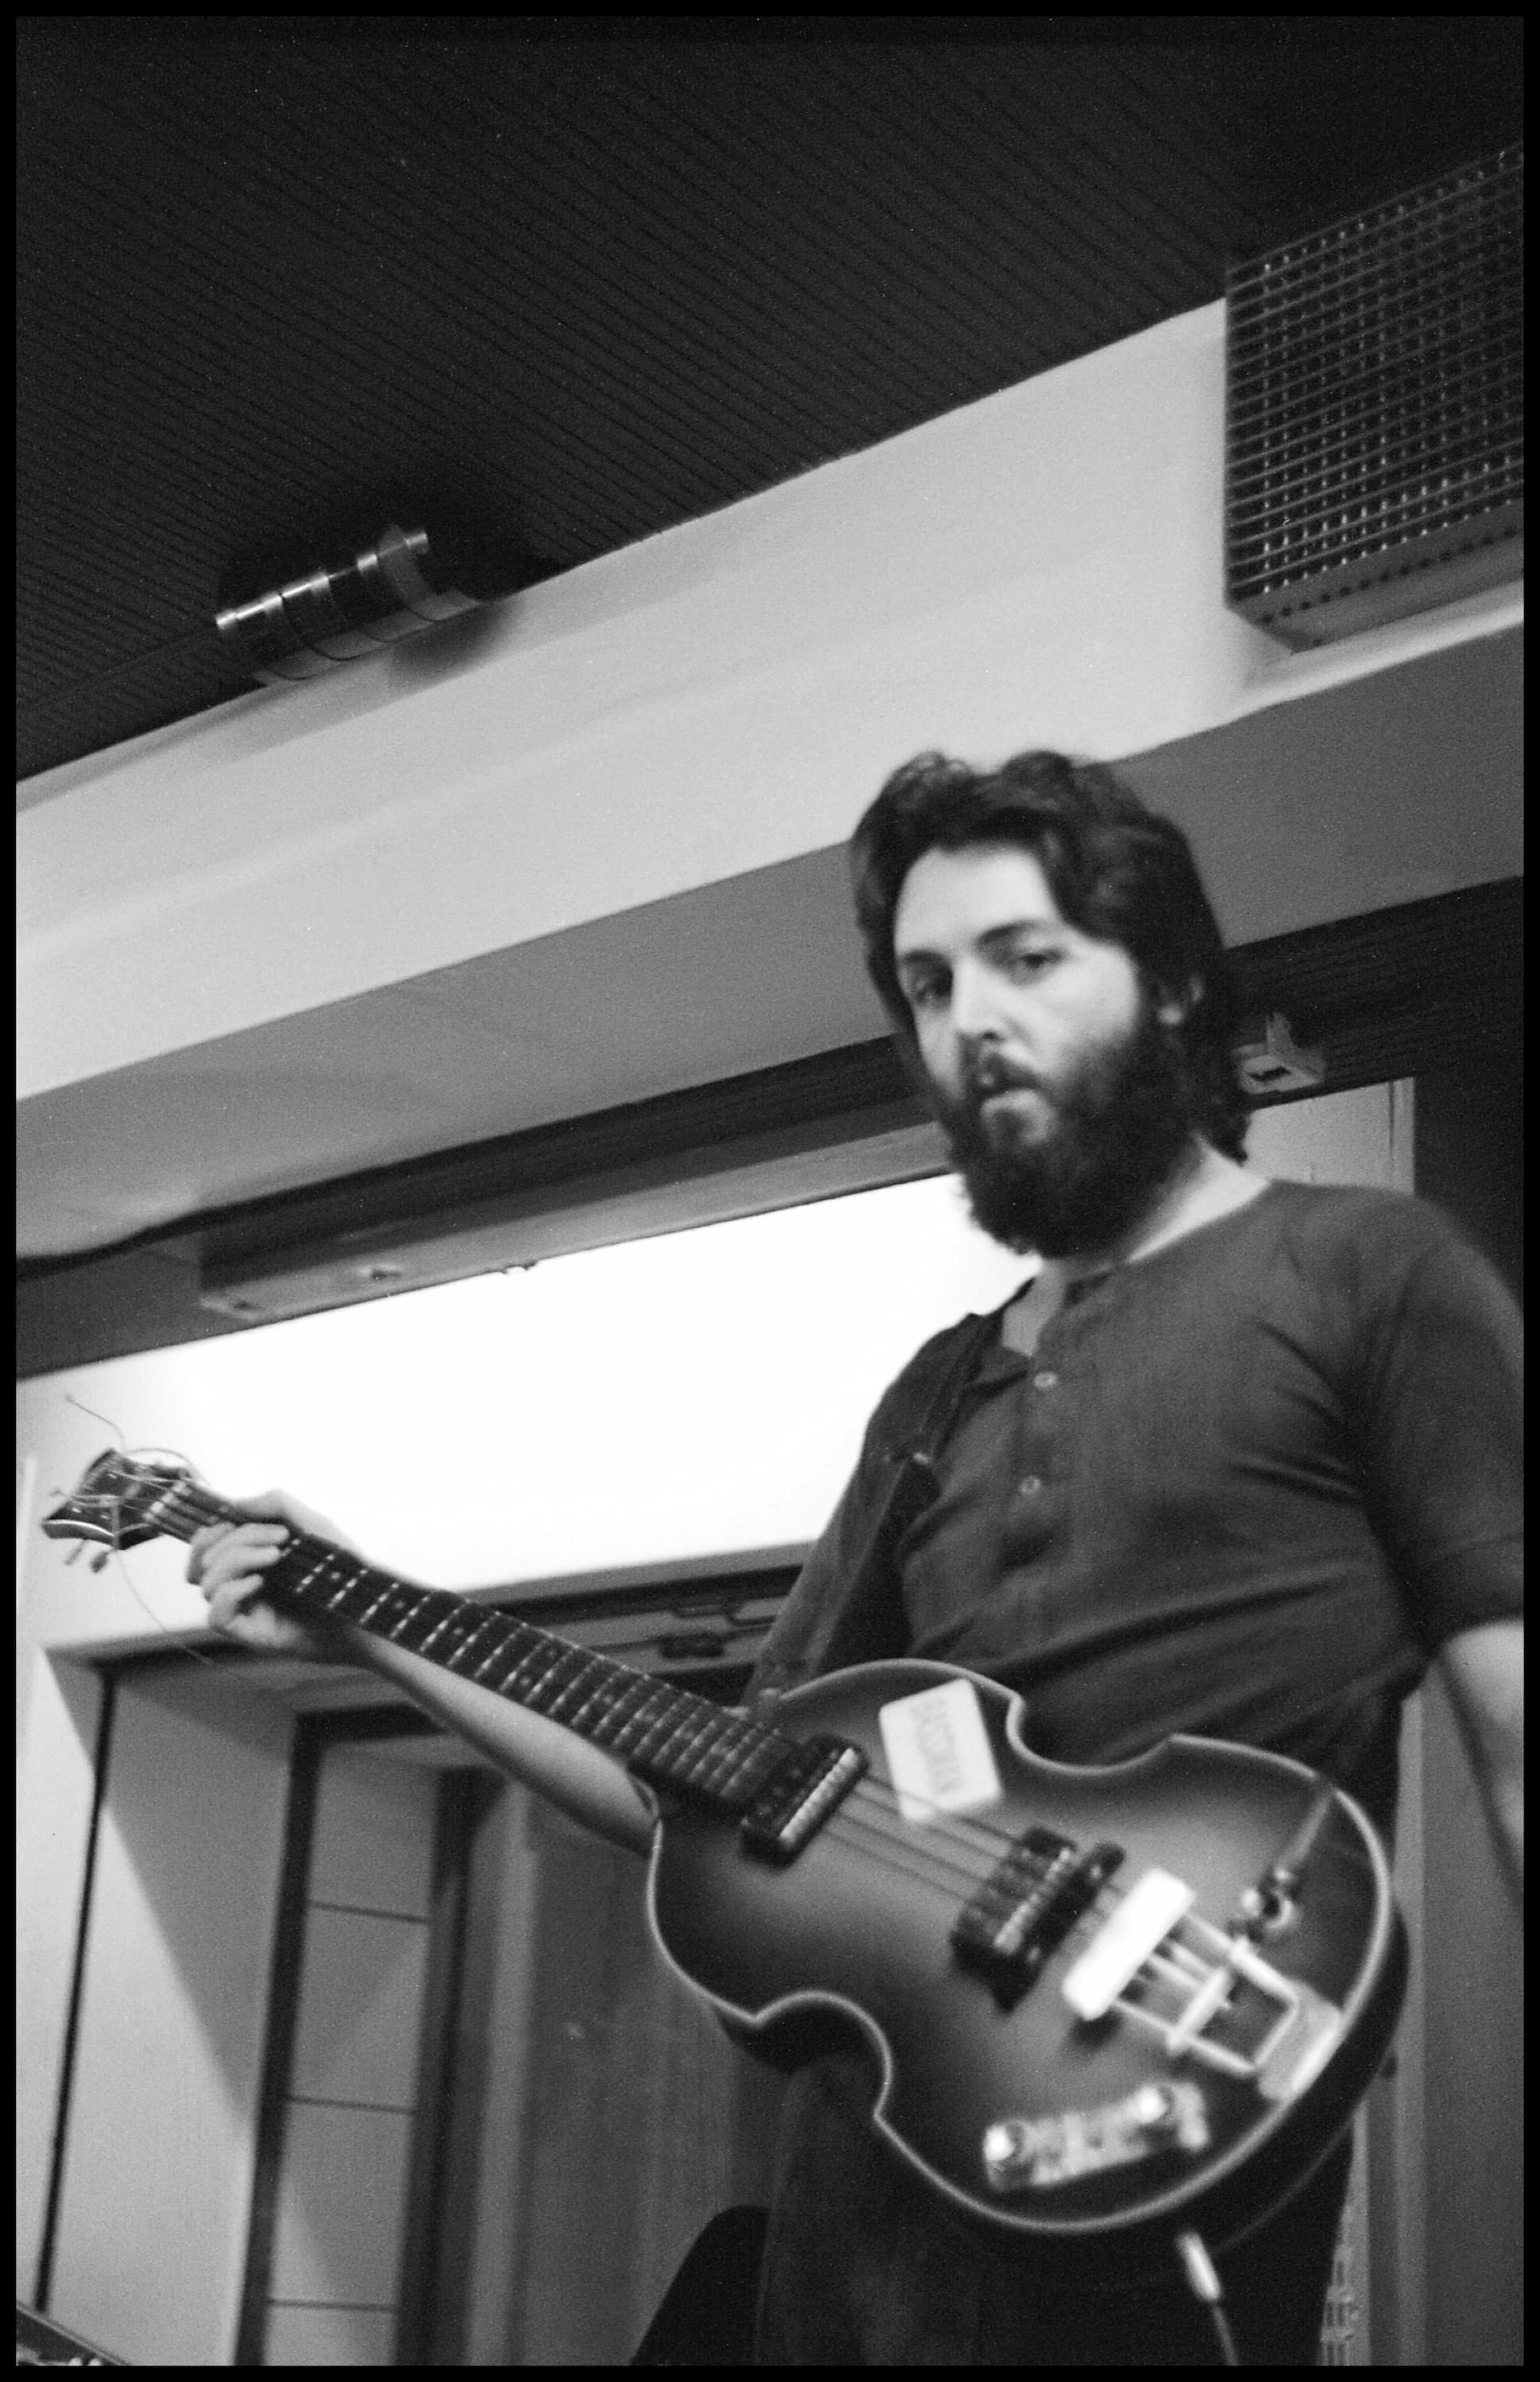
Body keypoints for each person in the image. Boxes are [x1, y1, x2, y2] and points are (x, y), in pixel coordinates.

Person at [189, 749, 1523, 2366]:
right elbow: (713, 1784)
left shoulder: (1365, 1277)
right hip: (847, 2264)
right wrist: (364, 1621)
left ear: (1173, 984)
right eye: (927, 984)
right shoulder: (934, 1394)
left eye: (1027, 961)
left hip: (1141, 2195)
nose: (970, 1021)